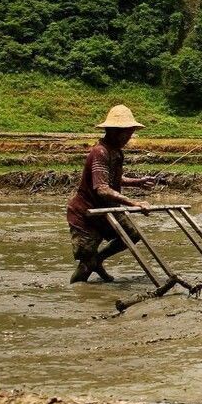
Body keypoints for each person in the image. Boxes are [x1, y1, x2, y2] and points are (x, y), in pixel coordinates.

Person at [66, 105, 157, 283]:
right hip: (86, 213)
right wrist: (134, 203)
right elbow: (102, 188)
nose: (129, 137)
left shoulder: (116, 152)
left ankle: (99, 260)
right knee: (86, 264)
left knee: (132, 234)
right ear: (115, 131)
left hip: (106, 209)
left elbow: (114, 179)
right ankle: (78, 292)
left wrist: (137, 182)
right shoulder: (100, 152)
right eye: (128, 133)